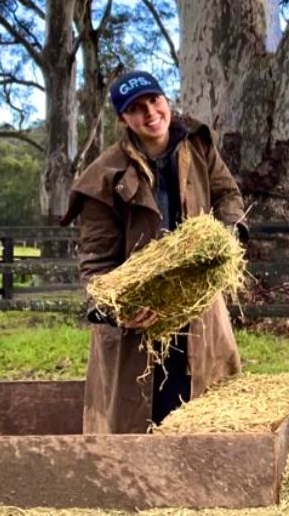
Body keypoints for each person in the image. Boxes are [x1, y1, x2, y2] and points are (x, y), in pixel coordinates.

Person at [64, 70, 246, 434]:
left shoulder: (198, 145)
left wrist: (228, 234)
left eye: (154, 100)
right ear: (123, 119)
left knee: (207, 408)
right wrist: (116, 309)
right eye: (136, 108)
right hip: (142, 320)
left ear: (166, 99)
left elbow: (227, 194)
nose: (150, 113)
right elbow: (97, 260)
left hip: (199, 307)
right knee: (145, 415)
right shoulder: (104, 176)